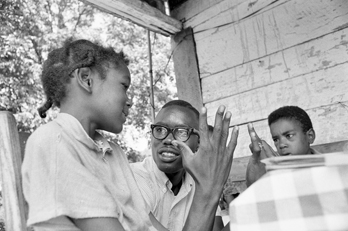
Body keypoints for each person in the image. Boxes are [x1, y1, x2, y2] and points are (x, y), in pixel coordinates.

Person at [22, 38, 239, 231]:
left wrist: (208, 187)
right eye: (124, 86)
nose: (129, 100)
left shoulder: (111, 153)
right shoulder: (54, 141)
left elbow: (142, 225)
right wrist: (209, 189)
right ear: (87, 79)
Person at [131, 100, 238, 231]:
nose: (168, 140)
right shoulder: (133, 178)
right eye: (159, 129)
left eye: (181, 132)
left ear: (199, 142)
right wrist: (209, 190)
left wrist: (258, 187)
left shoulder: (200, 180)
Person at [246, 105, 317, 186]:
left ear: (310, 136)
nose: (281, 145)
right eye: (276, 139)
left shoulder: (330, 169)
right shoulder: (276, 176)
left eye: (289, 136)